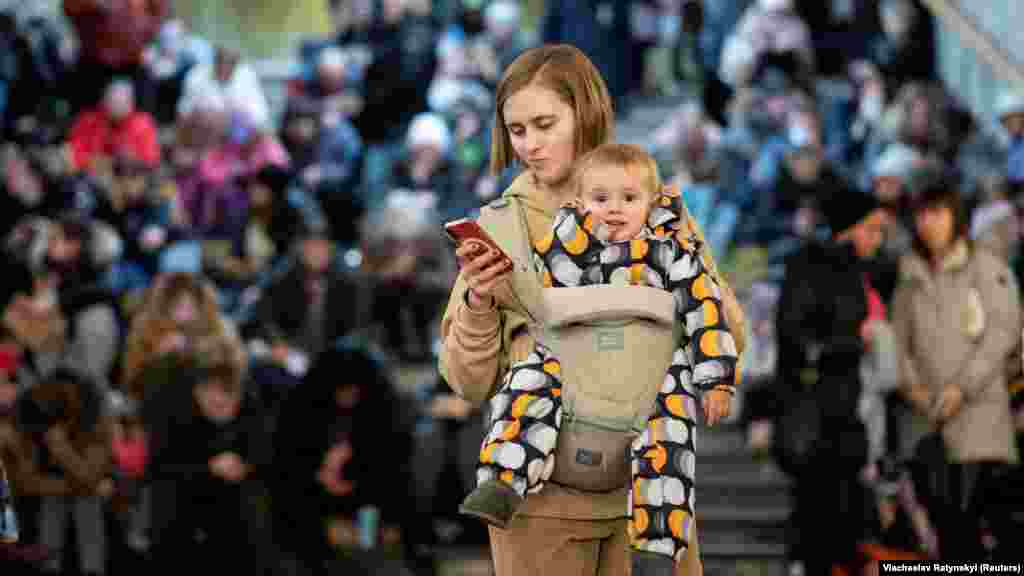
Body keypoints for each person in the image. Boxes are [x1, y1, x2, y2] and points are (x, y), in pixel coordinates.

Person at [439, 44, 744, 576]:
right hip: (542, 508)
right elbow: (467, 382)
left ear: (586, 112)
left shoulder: (654, 207)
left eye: (544, 124)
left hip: (649, 496)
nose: (530, 145)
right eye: (517, 130)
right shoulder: (496, 228)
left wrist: (675, 245)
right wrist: (479, 302)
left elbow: (726, 329)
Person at [891, 170, 1021, 559]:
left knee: (977, 529)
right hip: (925, 423)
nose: (928, 223)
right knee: (944, 533)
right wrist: (911, 385)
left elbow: (1003, 332)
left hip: (980, 421)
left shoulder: (986, 266)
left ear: (955, 216)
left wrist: (960, 388)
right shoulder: (909, 274)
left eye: (937, 213)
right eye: (921, 214)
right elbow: (899, 341)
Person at [775, 182, 890, 576]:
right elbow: (799, 338)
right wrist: (856, 340)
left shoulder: (860, 271)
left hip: (845, 422)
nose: (879, 238)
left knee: (842, 536)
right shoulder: (811, 266)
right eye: (872, 228)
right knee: (818, 532)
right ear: (851, 227)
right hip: (817, 422)